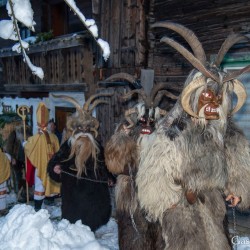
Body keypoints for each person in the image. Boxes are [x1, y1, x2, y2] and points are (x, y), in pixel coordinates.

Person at [136, 22, 250, 250]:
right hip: (180, 215)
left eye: (218, 98)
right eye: (207, 96)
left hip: (213, 208)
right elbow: (155, 176)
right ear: (195, 96)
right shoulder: (173, 132)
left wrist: (236, 190)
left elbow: (236, 165)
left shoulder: (226, 134)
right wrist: (169, 203)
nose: (213, 104)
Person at [104, 73, 178, 250]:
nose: (147, 125)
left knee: (157, 232)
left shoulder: (162, 141)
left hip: (155, 193)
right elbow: (115, 163)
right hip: (130, 195)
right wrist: (122, 137)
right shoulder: (129, 137)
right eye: (143, 121)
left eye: (151, 122)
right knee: (133, 231)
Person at [47, 93, 114, 231]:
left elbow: (106, 165)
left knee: (91, 227)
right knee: (74, 228)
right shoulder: (67, 146)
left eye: (87, 129)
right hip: (73, 200)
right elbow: (54, 161)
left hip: (93, 200)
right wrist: (55, 168)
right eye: (80, 129)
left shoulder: (97, 147)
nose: (84, 133)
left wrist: (109, 177)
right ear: (75, 130)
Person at [24, 102, 60, 211]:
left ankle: (38, 209)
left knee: (40, 186)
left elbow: (28, 148)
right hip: (51, 166)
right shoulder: (54, 137)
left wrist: (24, 143)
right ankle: (48, 203)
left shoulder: (35, 138)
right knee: (49, 183)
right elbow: (58, 152)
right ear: (48, 123)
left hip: (40, 167)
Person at [0, 148, 11, 215]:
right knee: (2, 194)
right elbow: (9, 159)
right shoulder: (4, 155)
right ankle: (2, 209)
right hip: (2, 178)